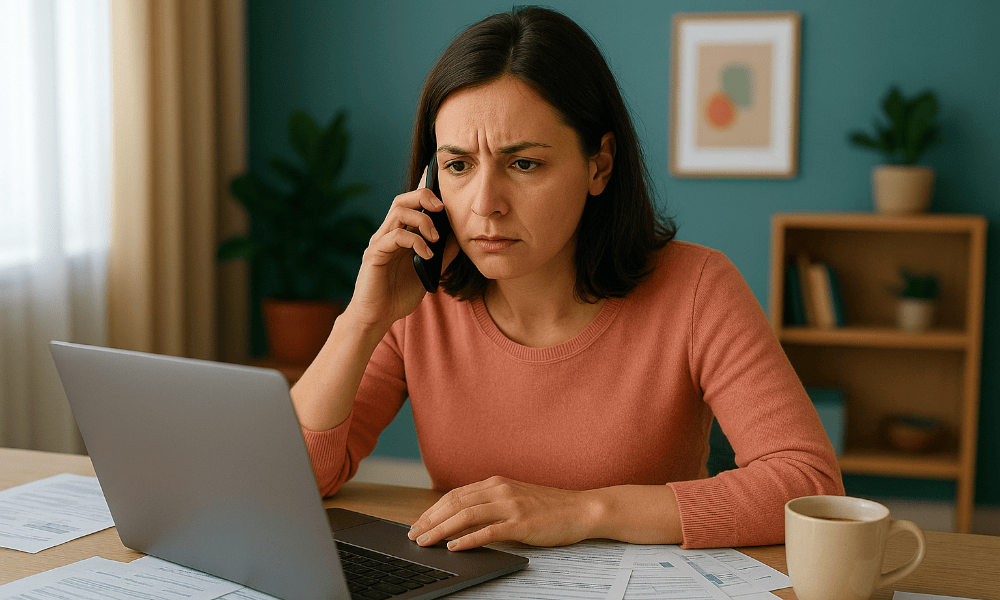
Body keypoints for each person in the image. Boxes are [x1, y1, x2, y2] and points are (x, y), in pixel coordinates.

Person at [291, 6, 843, 551]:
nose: (485, 204)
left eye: (523, 164)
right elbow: (293, 480)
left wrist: (582, 510)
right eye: (458, 166)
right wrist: (362, 321)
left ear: (599, 165)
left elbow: (808, 486)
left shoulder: (699, 288)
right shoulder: (418, 300)